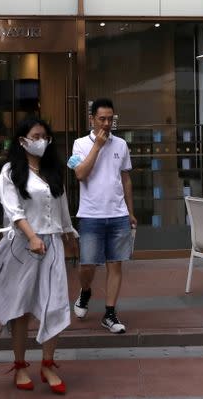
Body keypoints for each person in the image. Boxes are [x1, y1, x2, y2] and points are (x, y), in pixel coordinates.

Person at [0, 118, 76, 394]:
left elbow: (61, 205)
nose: (42, 141)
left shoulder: (52, 170)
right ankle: (20, 364)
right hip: (24, 246)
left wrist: (69, 233)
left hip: (52, 244)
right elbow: (14, 211)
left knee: (56, 303)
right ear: (22, 140)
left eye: (46, 137)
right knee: (21, 308)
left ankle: (48, 363)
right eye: (36, 136)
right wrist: (33, 236)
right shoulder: (10, 171)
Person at [71, 98, 136, 334]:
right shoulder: (79, 144)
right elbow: (80, 174)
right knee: (87, 265)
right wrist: (97, 146)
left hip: (118, 214)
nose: (107, 124)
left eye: (110, 119)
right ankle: (86, 291)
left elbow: (126, 178)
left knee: (115, 264)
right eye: (102, 119)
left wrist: (130, 211)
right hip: (90, 214)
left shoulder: (121, 145)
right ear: (92, 119)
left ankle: (109, 313)